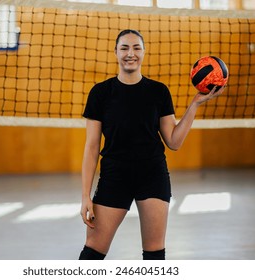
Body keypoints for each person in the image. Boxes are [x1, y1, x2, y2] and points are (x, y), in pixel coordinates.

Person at [78, 29, 225, 260]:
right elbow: (91, 148)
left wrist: (195, 105)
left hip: (152, 174)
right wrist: (85, 196)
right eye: (124, 47)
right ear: (115, 52)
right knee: (93, 250)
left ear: (144, 52)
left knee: (154, 254)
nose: (130, 53)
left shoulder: (158, 91)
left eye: (136, 47)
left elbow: (174, 142)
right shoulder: (100, 93)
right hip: (115, 175)